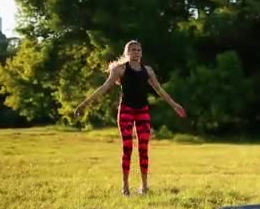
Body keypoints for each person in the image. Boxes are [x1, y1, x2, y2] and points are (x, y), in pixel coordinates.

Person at [74, 40, 186, 196]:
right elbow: (104, 87)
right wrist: (84, 104)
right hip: (126, 110)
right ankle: (125, 187)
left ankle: (144, 187)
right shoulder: (120, 70)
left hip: (142, 111)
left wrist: (174, 105)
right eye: (133, 50)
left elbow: (159, 90)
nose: (136, 52)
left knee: (143, 149)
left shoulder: (148, 71)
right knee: (127, 149)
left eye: (139, 50)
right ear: (127, 53)